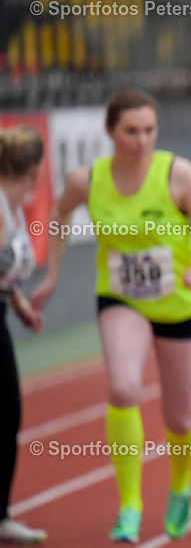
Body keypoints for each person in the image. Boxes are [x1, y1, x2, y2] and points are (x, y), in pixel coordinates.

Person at [31, 91, 191, 542]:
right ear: (110, 132)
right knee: (123, 387)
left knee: (179, 419)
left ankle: (180, 486)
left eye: (149, 130)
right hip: (121, 298)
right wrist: (53, 275)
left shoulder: (177, 174)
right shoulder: (88, 179)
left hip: (180, 303)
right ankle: (130, 505)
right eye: (130, 131)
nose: (141, 140)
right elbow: (59, 215)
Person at [0, 127, 47, 545]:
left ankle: (1, 516)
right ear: (35, 171)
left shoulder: (12, 209)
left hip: (1, 315)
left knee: (9, 412)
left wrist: (19, 305)